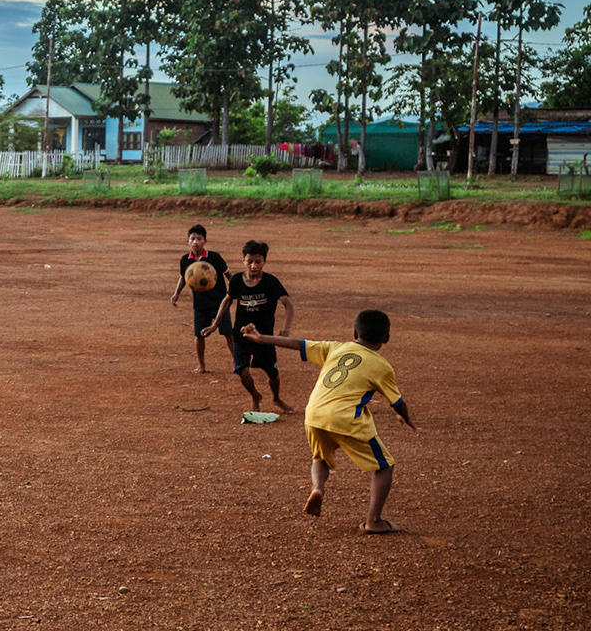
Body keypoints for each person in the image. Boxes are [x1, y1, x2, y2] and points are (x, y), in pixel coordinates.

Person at [240, 309, 417, 534]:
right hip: (345, 419)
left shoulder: (336, 347)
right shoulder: (382, 366)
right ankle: (374, 521)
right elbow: (397, 401)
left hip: (314, 413)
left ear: (354, 332)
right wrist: (406, 417)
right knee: (384, 467)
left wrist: (261, 337)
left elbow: (297, 343)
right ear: (386, 338)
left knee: (321, 457)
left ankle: (318, 488)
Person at [203, 240, 296, 413]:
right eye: (250, 261)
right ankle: (255, 395)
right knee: (241, 370)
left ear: (264, 262)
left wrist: (287, 328)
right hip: (242, 335)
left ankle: (276, 398)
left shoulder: (271, 282)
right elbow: (227, 300)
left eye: (258, 262)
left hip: (264, 337)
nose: (254, 266)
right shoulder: (237, 280)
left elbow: (288, 305)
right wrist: (214, 325)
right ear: (243, 261)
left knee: (273, 373)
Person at [168, 223, 233, 374]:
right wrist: (176, 293)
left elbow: (228, 274)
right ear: (188, 242)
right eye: (192, 239)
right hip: (200, 303)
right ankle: (201, 365)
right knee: (199, 335)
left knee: (228, 333)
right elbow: (183, 277)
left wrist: (236, 288)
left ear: (205, 241)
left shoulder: (214, 257)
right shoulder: (185, 259)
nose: (196, 241)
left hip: (219, 302)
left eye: (199, 238)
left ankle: (237, 362)